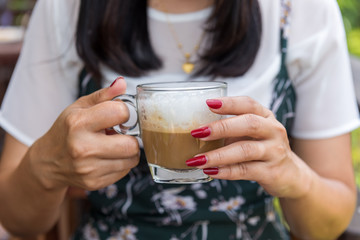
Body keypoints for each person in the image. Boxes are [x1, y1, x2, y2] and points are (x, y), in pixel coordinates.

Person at [0, 0, 358, 239]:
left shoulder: (300, 9)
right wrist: (45, 168)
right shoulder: (68, 8)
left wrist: (293, 177)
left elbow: (329, 222)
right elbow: (15, 218)